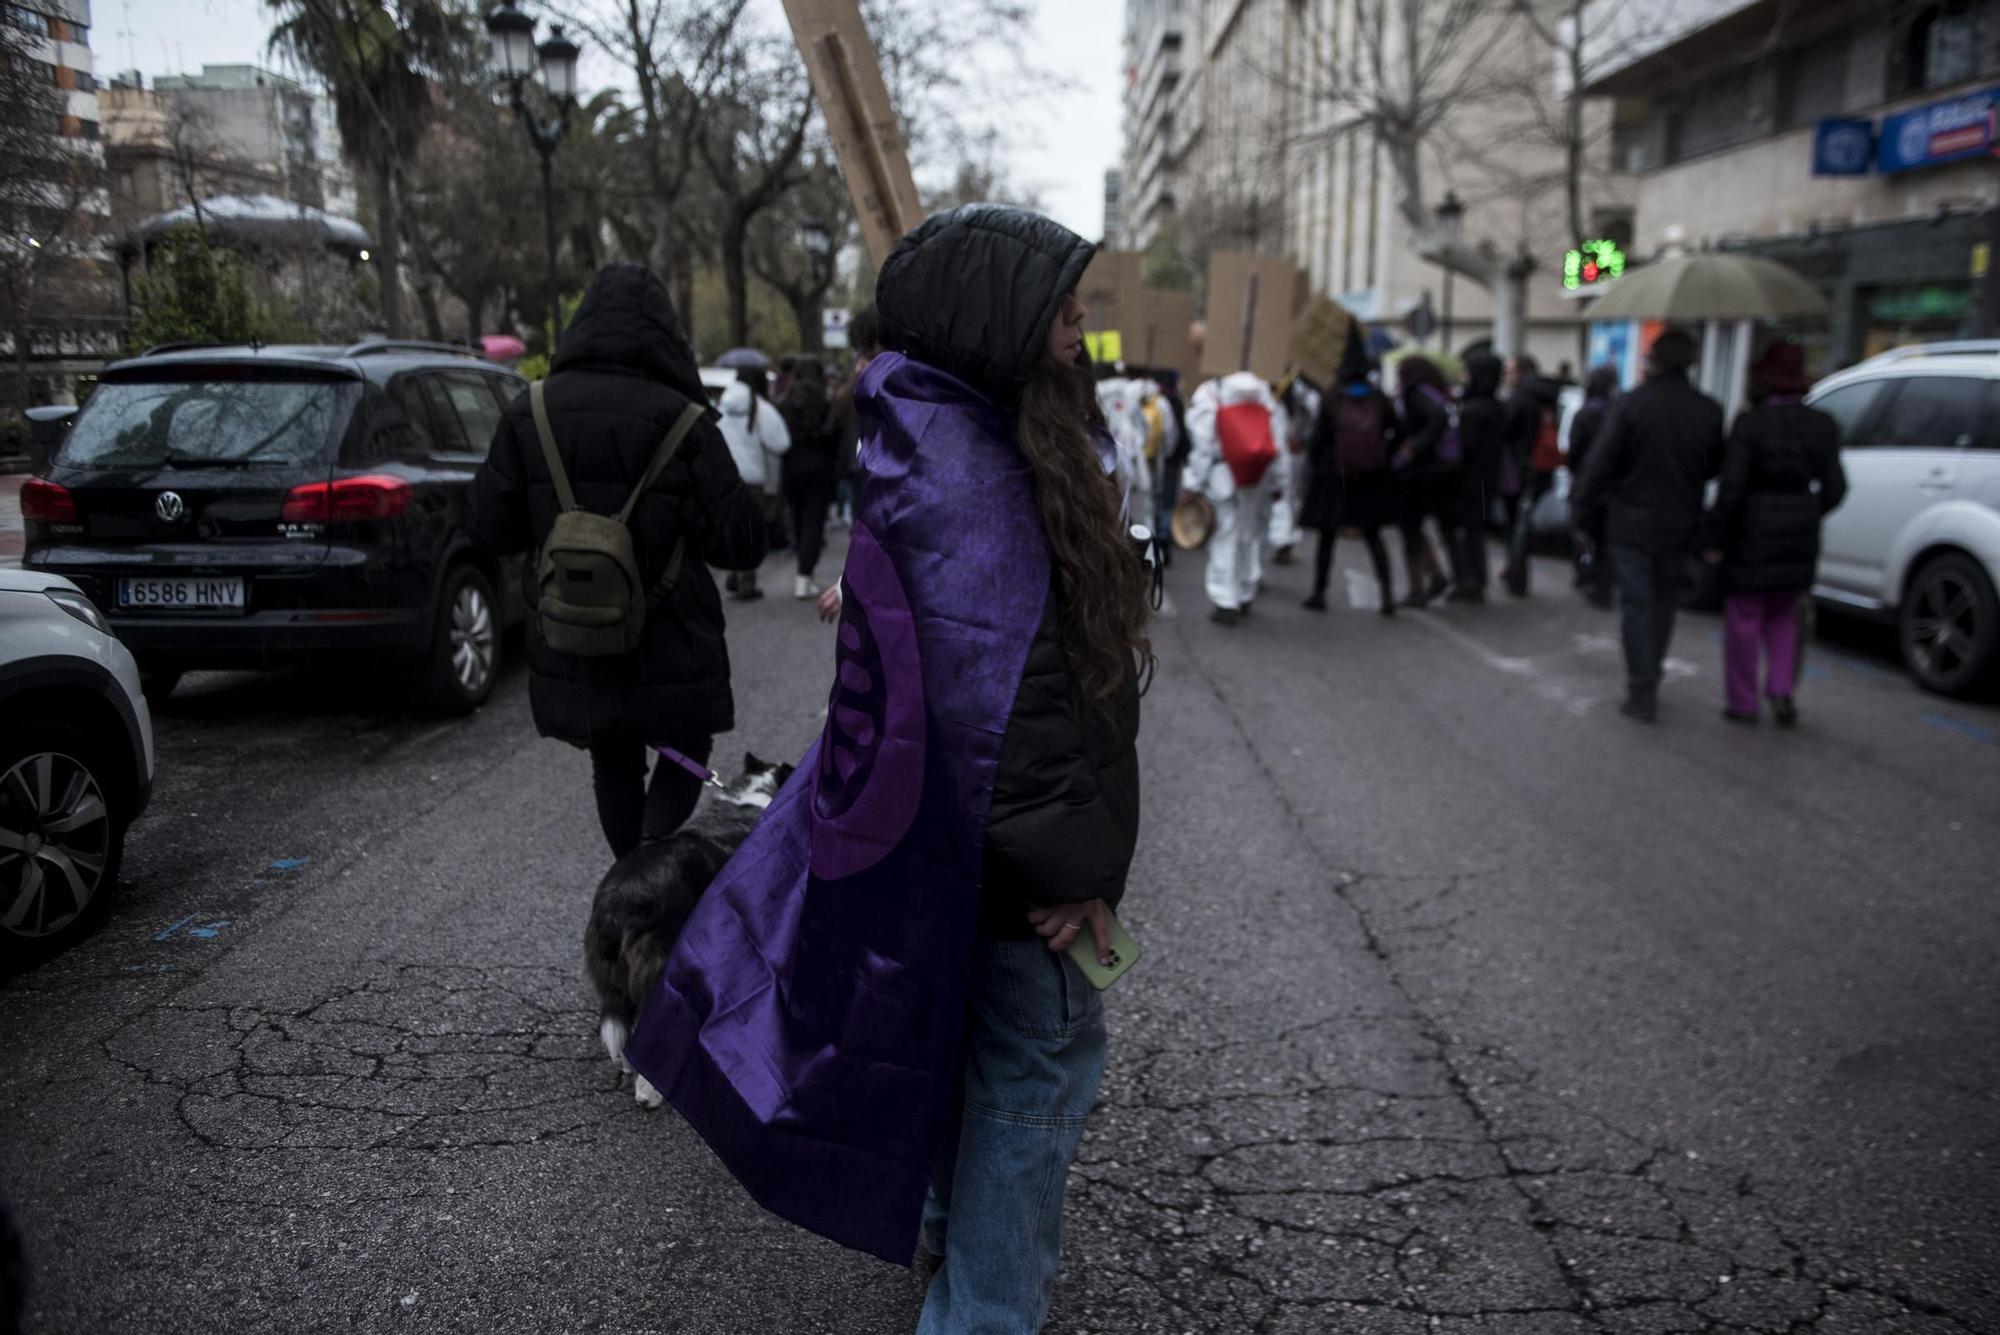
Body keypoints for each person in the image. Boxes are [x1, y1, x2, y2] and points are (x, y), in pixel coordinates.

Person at [621, 204, 1147, 1335]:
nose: (1080, 331)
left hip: (954, 865)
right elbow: (1012, 713)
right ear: (995, 323)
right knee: (1024, 1099)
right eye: (1062, 309)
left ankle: (947, 1258)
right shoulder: (978, 472)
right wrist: (1075, 870)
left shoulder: (944, 444)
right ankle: (980, 1314)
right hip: (1016, 886)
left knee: (968, 1085)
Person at [466, 262, 768, 857]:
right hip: (670, 629)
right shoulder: (686, 421)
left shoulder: (531, 412)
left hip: (573, 622)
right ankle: (654, 854)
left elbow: (487, 526)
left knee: (613, 757)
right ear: (666, 333)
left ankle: (629, 875)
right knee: (689, 744)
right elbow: (741, 544)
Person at [1573, 329, 1726, 723]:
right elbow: (1713, 467)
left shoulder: (1632, 405)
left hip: (1631, 521)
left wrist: (1582, 507)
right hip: (1680, 520)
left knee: (1638, 603)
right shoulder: (1707, 409)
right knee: (1661, 602)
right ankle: (1649, 673)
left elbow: (1601, 463)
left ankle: (1643, 686)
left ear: (1653, 361)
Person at [1702, 342, 1847, 726]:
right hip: (1800, 532)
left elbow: (1730, 490)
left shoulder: (1750, 425)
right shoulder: (1823, 425)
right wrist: (1807, 512)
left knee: (1744, 618)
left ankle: (1743, 701)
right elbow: (1836, 488)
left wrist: (1715, 539)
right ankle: (1781, 689)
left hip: (1752, 531)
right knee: (1784, 615)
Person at [1301, 339, 1400, 615]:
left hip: (1334, 475)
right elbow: (1398, 431)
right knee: (1373, 536)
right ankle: (1387, 595)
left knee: (1327, 537)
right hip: (1370, 477)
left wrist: (1315, 469)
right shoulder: (1379, 398)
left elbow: (1318, 439)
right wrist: (1384, 456)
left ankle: (1319, 593)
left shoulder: (1332, 396)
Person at [1183, 370, 1290, 625]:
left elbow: (1203, 445)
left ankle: (1225, 599)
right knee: (1248, 532)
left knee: (1224, 536)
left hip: (1223, 475)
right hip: (1257, 476)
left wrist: (1193, 483)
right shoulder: (1264, 393)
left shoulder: (1211, 393)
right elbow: (1277, 441)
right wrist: (1279, 482)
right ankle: (1245, 588)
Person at [717, 365, 791, 600]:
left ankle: (733, 572)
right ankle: (746, 582)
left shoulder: (722, 405)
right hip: (752, 478)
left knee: (732, 527)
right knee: (750, 530)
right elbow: (781, 443)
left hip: (726, 475)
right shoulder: (760, 407)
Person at [1391, 355, 1458, 608]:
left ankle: (1418, 586)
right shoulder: (1434, 392)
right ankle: (1434, 574)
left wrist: (1415, 447)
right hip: (1434, 468)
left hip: (1419, 471)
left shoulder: (1415, 393)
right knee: (1415, 526)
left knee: (1410, 527)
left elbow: (1436, 418)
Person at [1446, 351, 1508, 603]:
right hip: (1488, 480)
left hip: (1467, 481)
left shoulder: (1472, 411)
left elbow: (1463, 448)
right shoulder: (1498, 407)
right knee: (1475, 531)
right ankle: (1476, 579)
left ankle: (1468, 579)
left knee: (1463, 530)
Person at [1500, 353, 1564, 596]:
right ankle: (1517, 573)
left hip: (1521, 468)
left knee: (1517, 526)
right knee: (1523, 523)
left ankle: (1516, 575)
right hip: (1541, 467)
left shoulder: (1521, 399)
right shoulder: (1551, 395)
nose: (1507, 376)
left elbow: (1508, 433)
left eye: (1510, 370)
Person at [778, 356, 841, 600]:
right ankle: (805, 576)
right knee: (813, 522)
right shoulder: (826, 403)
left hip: (791, 467)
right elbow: (836, 437)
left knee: (796, 518)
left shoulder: (785, 402)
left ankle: (803, 571)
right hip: (820, 467)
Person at [1566, 365, 1621, 607]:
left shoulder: (1586, 414)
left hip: (1588, 482)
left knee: (1581, 529)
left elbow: (1575, 452)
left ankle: (1587, 574)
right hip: (1613, 486)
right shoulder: (1617, 411)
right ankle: (1601, 581)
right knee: (1604, 539)